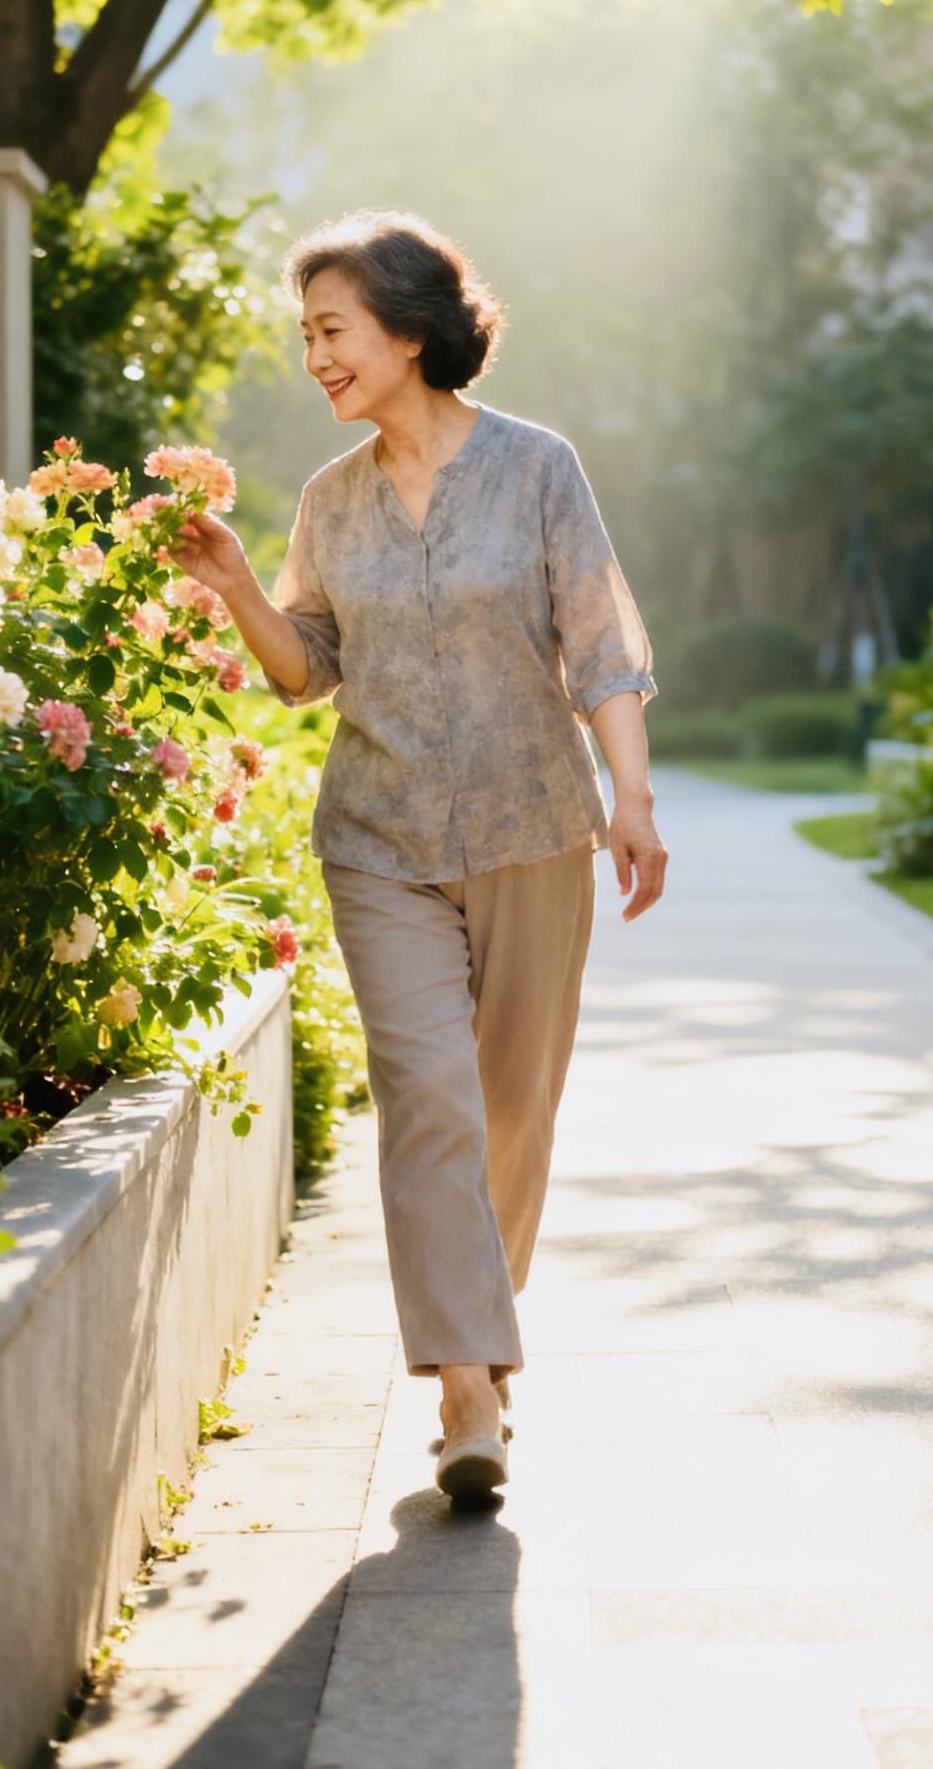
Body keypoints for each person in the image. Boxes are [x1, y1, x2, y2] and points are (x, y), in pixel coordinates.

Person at [172, 209, 667, 1504]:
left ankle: (477, 1335)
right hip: (380, 840)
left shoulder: (538, 468)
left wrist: (633, 795)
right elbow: (304, 671)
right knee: (430, 1097)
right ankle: (464, 1390)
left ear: (406, 329)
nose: (316, 357)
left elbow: (599, 641)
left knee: (511, 1106)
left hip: (532, 830)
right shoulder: (330, 504)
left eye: (331, 332)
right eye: (307, 337)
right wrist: (237, 588)